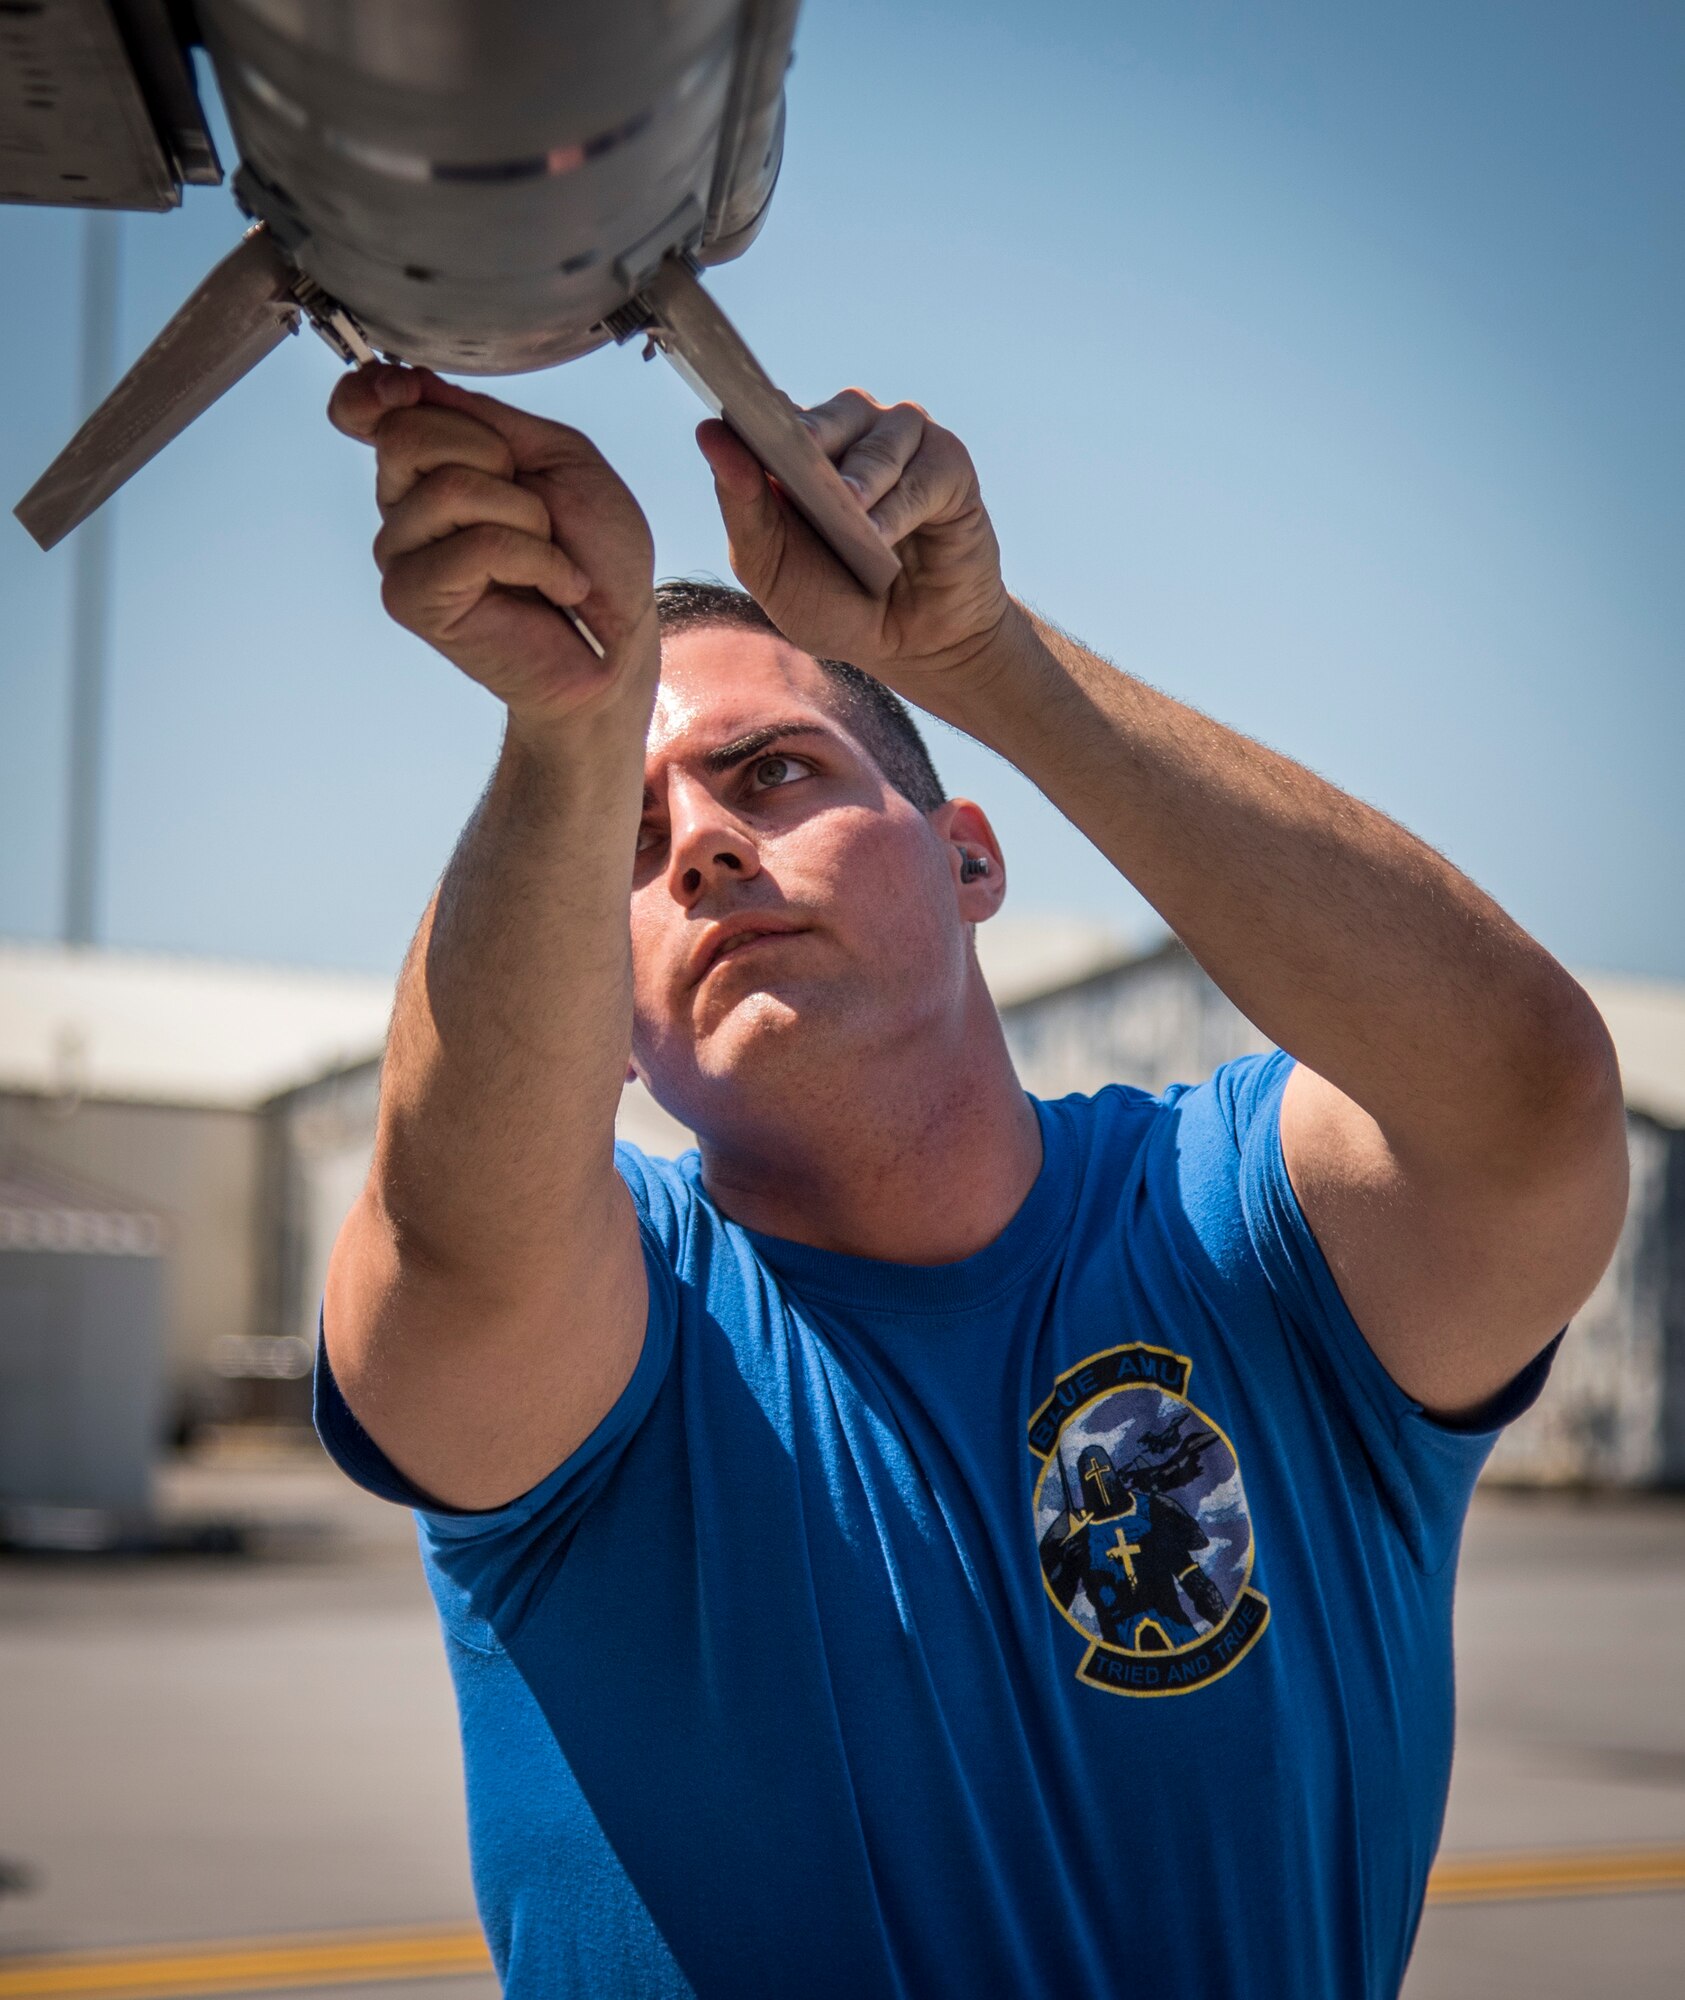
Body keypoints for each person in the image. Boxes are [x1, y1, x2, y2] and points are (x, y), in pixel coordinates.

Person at [314, 361, 1627, 1998]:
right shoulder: (616, 1333)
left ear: (968, 859)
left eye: (773, 771)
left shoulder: (1229, 1226)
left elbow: (1529, 1107)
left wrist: (978, 660)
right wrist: (560, 730)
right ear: (598, 994)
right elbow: (451, 1254)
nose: (707, 847)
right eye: (627, 847)